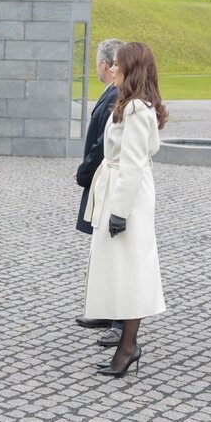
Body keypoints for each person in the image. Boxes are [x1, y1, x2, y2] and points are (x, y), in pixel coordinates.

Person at [82, 42, 167, 377]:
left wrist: (118, 212)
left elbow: (132, 164)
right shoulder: (132, 105)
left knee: (130, 271)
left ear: (131, 70)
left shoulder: (135, 109)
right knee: (122, 270)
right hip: (122, 190)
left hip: (127, 197)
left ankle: (129, 346)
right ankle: (127, 345)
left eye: (117, 64)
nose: (112, 69)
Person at [74, 39, 125, 348]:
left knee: (113, 250)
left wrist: (84, 171)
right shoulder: (113, 94)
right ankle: (105, 309)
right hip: (103, 179)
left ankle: (119, 321)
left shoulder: (120, 98)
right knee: (100, 248)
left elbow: (104, 146)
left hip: (108, 180)